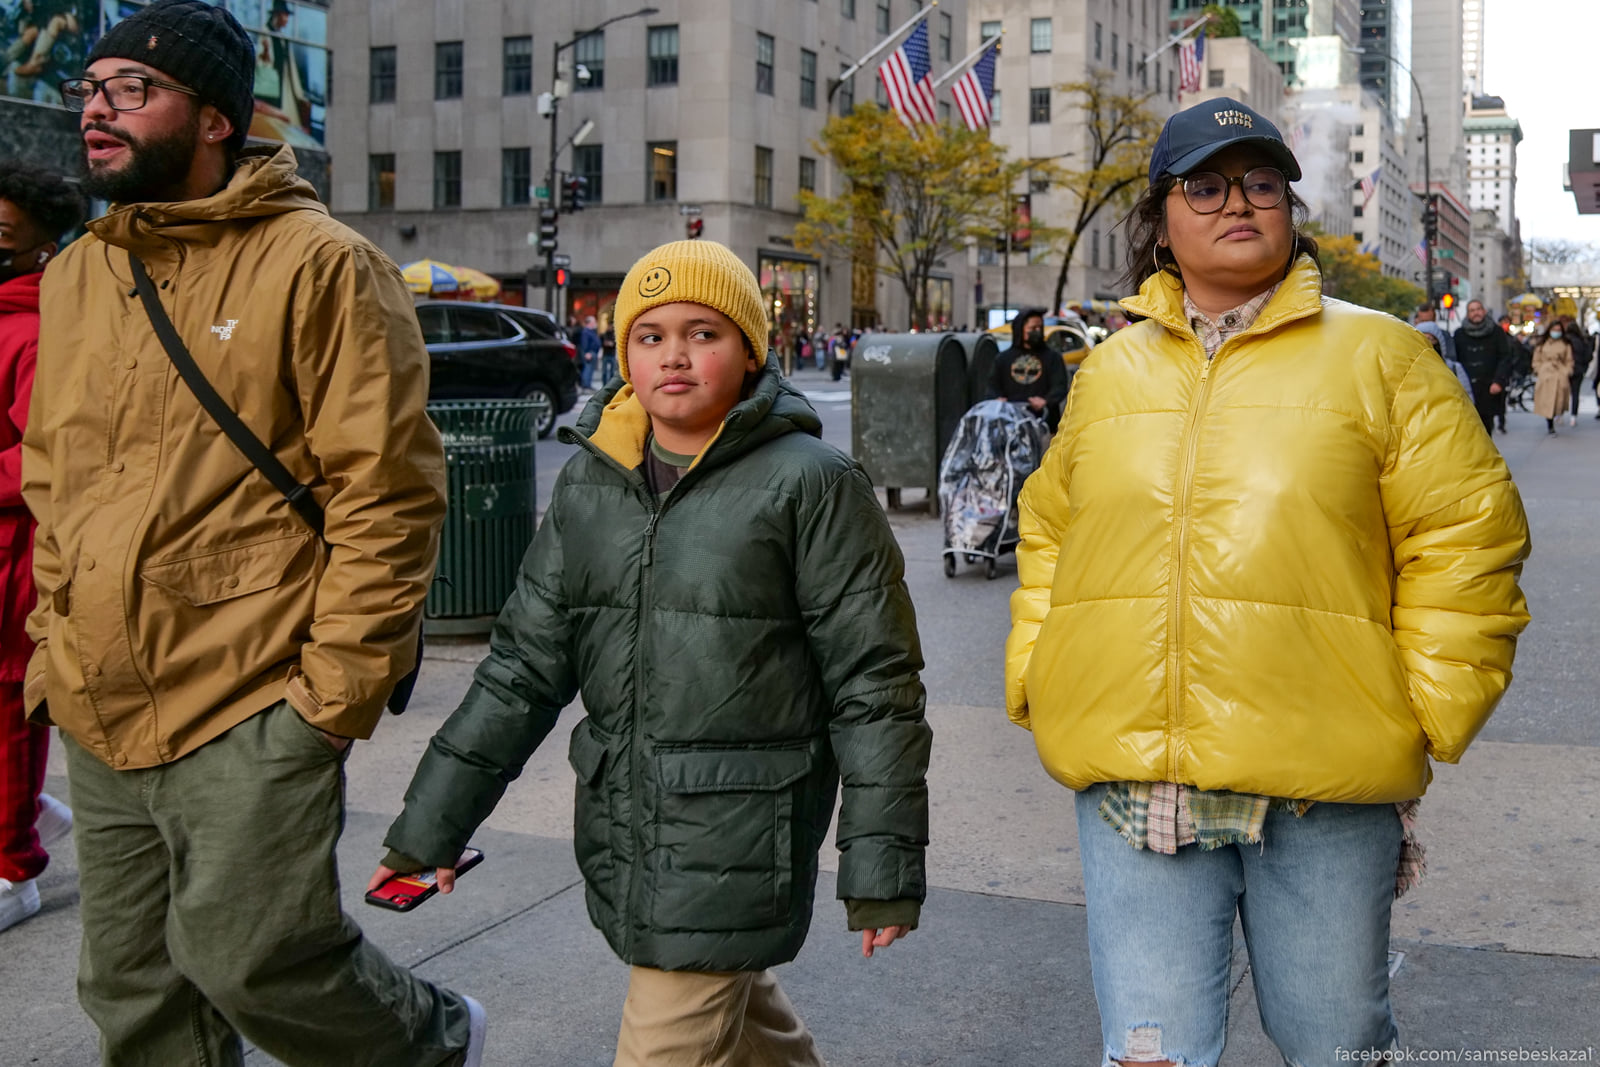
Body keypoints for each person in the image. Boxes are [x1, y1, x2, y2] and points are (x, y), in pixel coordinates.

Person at [1006, 97, 1530, 1067]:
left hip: (1322, 789)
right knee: (1150, 1052)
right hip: (1136, 778)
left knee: (1336, 1045)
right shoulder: (1109, 372)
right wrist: (1039, 667)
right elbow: (1050, 529)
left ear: (1289, 207)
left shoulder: (1382, 354)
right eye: (1204, 186)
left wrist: (1423, 707)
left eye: (1259, 183)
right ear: (1160, 219)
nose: (1237, 202)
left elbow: (1467, 534)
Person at [23, 2, 484, 1062]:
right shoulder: (77, 272)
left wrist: (331, 698)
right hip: (99, 697)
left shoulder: (321, 263)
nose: (96, 109)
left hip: (251, 693)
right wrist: (56, 639)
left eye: (132, 89)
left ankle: (430, 1041)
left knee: (253, 959)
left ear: (215, 118)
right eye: (90, 88)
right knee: (132, 993)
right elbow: (57, 476)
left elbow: (387, 493)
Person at [372, 239, 930, 1067]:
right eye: (650, 334)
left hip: (742, 831)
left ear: (750, 351)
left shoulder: (812, 483)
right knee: (740, 1015)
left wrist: (882, 859)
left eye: (704, 333)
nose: (674, 354)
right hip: (627, 824)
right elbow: (522, 669)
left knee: (670, 1028)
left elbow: (875, 684)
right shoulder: (590, 482)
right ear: (624, 352)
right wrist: (435, 823)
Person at [0, 161, 80, 934]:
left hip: (15, 556)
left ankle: (13, 864)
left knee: (9, 711)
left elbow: (46, 451)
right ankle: (30, 814)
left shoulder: (33, 331)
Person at [986, 307, 1071, 428]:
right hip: (1011, 424)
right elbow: (992, 385)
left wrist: (1046, 401)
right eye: (1032, 328)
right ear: (1020, 330)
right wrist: (997, 400)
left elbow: (1060, 386)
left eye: (1040, 327)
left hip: (1044, 423)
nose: (1037, 331)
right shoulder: (1003, 359)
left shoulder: (1053, 358)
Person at [1454, 299, 1519, 435]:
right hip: (1467, 388)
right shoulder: (1459, 334)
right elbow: (1455, 360)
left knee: (1486, 426)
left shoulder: (1497, 332)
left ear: (1484, 311)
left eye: (1478, 309)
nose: (1476, 313)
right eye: (1472, 310)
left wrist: (1499, 381)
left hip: (1489, 387)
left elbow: (1505, 358)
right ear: (1467, 314)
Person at [1530, 322, 1574, 436]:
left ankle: (1555, 417)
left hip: (1560, 374)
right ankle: (1550, 423)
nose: (1556, 332)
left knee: (1558, 400)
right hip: (1546, 374)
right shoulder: (1542, 343)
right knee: (1547, 400)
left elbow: (1569, 360)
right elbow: (1536, 359)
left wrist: (1567, 371)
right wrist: (1539, 369)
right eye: (1554, 329)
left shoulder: (1565, 344)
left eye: (1558, 330)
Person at [1558, 315, 1590, 427]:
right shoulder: (1583, 342)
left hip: (1566, 369)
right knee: (1575, 393)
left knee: (1562, 393)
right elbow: (1588, 356)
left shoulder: (1565, 341)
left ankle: (1560, 415)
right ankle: (1573, 417)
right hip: (1579, 370)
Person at [578, 313, 602, 391]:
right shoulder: (586, 332)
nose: (595, 323)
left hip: (593, 353)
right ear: (590, 323)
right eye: (594, 322)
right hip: (589, 353)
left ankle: (588, 384)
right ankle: (585, 385)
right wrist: (586, 353)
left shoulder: (592, 331)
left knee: (590, 370)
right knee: (587, 369)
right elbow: (584, 343)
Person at [599, 317, 618, 386]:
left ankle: (610, 385)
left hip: (612, 354)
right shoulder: (604, 335)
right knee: (604, 371)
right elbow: (601, 343)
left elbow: (616, 344)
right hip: (605, 354)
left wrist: (611, 344)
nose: (609, 327)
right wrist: (606, 343)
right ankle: (604, 385)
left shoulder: (615, 335)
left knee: (612, 372)